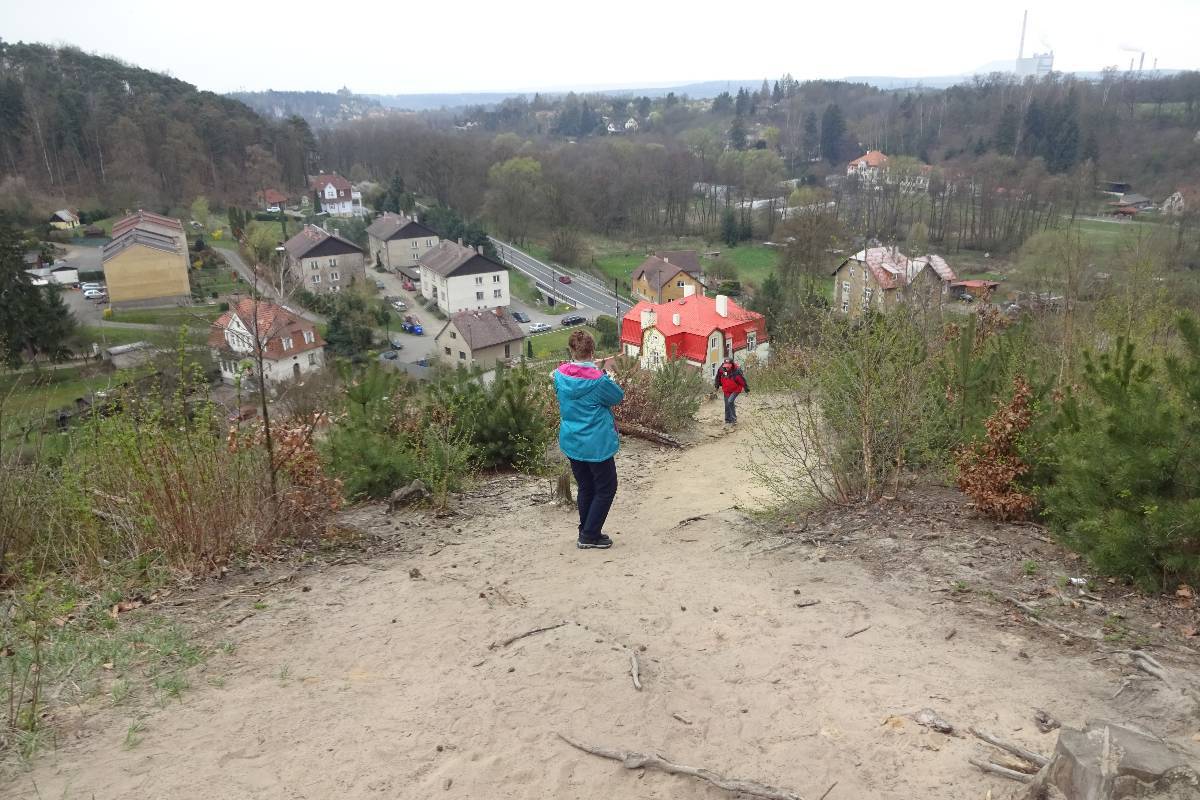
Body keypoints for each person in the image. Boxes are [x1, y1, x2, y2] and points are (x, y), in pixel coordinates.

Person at [553, 330, 625, 549]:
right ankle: (590, 535)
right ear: (593, 350)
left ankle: (585, 530)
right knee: (607, 487)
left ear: (571, 350)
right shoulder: (598, 381)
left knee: (585, 486)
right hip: (597, 444)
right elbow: (617, 397)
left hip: (572, 440)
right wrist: (604, 376)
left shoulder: (559, 375)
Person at [715, 357, 749, 424]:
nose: (727, 367)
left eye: (728, 366)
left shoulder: (736, 371)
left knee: (730, 401)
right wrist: (717, 385)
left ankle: (734, 419)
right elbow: (718, 377)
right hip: (726, 389)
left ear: (732, 364)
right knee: (727, 405)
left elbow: (742, 380)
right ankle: (727, 420)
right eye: (726, 366)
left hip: (736, 389)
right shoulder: (721, 369)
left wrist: (746, 388)